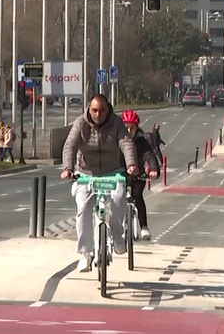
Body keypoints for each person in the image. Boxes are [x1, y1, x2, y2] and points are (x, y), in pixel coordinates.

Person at [61, 94, 137, 273]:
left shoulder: (117, 123)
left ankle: (118, 235)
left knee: (119, 198)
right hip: (86, 172)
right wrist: (68, 168)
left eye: (102, 110)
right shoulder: (81, 123)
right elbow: (70, 145)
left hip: (112, 172)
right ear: (89, 109)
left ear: (108, 109)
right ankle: (85, 254)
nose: (98, 114)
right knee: (83, 208)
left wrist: (131, 164)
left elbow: (126, 143)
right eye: (94, 110)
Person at [119, 110, 160, 241]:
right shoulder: (117, 140)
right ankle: (117, 227)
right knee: (118, 199)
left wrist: (153, 170)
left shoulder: (142, 140)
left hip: (138, 174)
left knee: (137, 196)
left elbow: (149, 155)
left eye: (132, 127)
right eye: (126, 127)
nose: (129, 130)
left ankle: (143, 227)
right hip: (120, 174)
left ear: (137, 127)